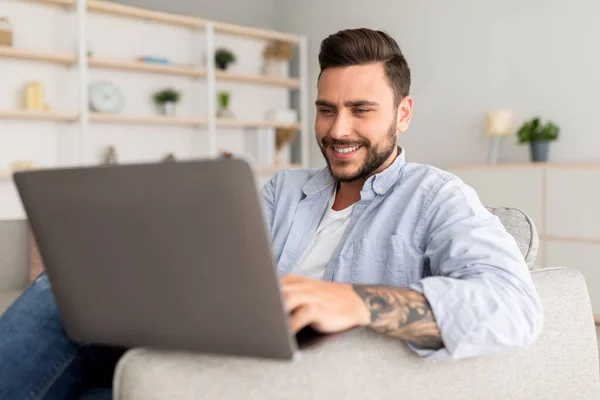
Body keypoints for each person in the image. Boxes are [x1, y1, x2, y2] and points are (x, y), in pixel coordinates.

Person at [0, 28, 543, 399]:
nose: (337, 130)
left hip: (306, 368)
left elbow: (515, 306)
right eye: (326, 108)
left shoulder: (436, 196)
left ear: (403, 114)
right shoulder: (286, 189)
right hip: (224, 336)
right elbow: (219, 269)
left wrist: (354, 300)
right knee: (66, 290)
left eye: (361, 110)